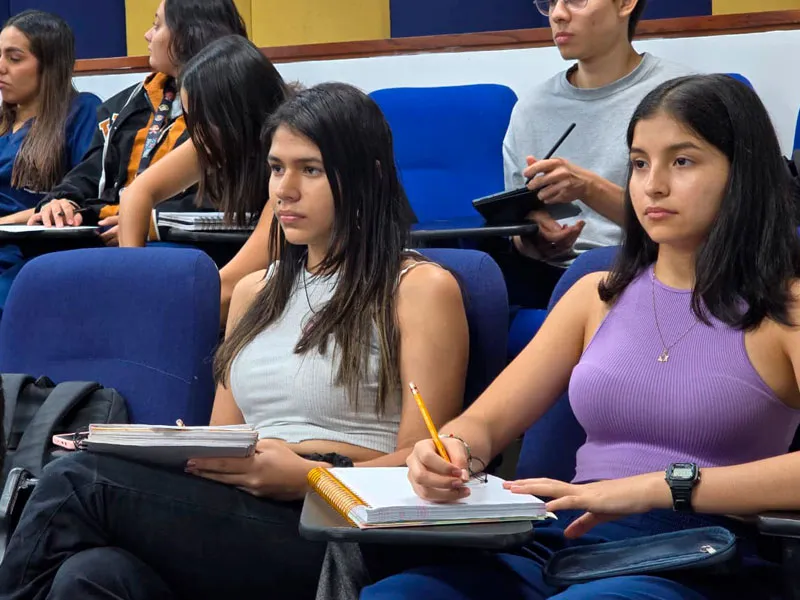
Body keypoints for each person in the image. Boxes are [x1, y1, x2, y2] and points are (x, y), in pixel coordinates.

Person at [0, 82, 470, 600]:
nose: (283, 190)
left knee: (77, 483)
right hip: (241, 514)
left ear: (369, 176)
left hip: (338, 524)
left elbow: (424, 462)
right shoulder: (253, 291)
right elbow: (225, 438)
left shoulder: (419, 288)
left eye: (309, 169)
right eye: (275, 168)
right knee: (90, 573)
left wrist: (308, 476)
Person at [361, 74, 800, 599]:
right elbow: (485, 422)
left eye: (682, 161)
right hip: (565, 540)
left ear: (742, 175)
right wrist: (452, 451)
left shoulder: (786, 305)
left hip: (699, 551)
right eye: (639, 163)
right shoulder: (595, 295)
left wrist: (656, 488)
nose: (652, 184)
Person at [493, 0, 691, 308]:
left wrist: (590, 189)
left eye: (575, 0)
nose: (558, 14)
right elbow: (518, 229)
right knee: (466, 277)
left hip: (647, 264)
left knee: (591, 274)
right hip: (547, 274)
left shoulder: (682, 96)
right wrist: (535, 237)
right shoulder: (532, 108)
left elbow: (697, 224)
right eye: (551, 3)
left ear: (625, 4)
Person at [17, 0, 248, 248]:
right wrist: (62, 201)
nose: (147, 35)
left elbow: (235, 196)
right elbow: (88, 174)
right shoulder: (122, 107)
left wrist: (150, 223)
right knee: (40, 271)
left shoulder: (238, 106)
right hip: (106, 233)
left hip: (181, 243)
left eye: (157, 26)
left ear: (190, 34)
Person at [118, 35, 288, 324]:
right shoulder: (214, 137)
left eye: (201, 120)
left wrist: (140, 315)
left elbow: (228, 290)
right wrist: (134, 277)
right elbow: (137, 194)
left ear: (237, 117)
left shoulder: (293, 160)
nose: (195, 135)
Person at [0, 10, 101, 310]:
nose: (1, 68)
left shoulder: (82, 111)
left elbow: (82, 196)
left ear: (50, 65)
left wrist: (4, 223)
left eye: (14, 58)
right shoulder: (3, 121)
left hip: (29, 253)